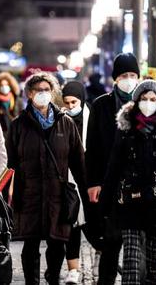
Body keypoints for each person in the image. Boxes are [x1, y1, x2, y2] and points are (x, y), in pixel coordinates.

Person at [6, 72, 87, 285]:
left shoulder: (66, 123)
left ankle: (53, 278)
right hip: (29, 194)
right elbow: (10, 164)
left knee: (57, 243)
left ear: (52, 93)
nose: (42, 94)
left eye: (46, 90)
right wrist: (9, 194)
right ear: (29, 94)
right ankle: (31, 282)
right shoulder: (18, 125)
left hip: (57, 194)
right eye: (38, 90)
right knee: (30, 245)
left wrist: (87, 192)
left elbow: (78, 162)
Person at [103, 80, 156, 285]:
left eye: (153, 99)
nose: (148, 103)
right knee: (131, 257)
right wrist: (106, 202)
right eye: (144, 99)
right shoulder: (126, 129)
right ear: (137, 101)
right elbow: (114, 165)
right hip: (131, 201)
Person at [85, 52, 140, 285]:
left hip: (139, 183)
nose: (128, 79)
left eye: (132, 75)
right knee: (111, 239)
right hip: (110, 182)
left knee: (137, 242)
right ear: (115, 78)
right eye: (124, 75)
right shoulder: (102, 105)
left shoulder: (145, 103)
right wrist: (93, 182)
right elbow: (93, 147)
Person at [61, 81, 91, 284]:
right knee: (71, 223)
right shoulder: (61, 120)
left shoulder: (92, 117)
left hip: (89, 178)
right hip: (68, 179)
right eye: (67, 102)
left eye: (74, 102)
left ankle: (99, 264)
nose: (71, 106)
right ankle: (73, 269)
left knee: (94, 223)